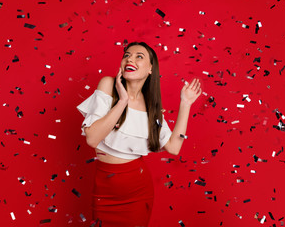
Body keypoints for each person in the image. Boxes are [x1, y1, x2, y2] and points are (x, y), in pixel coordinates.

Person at [77, 42, 201, 227]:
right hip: (104, 190)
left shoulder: (151, 106)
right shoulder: (108, 84)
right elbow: (92, 139)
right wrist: (122, 101)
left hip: (137, 193)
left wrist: (185, 104)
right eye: (127, 55)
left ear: (151, 68)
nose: (130, 59)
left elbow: (174, 148)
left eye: (139, 56)